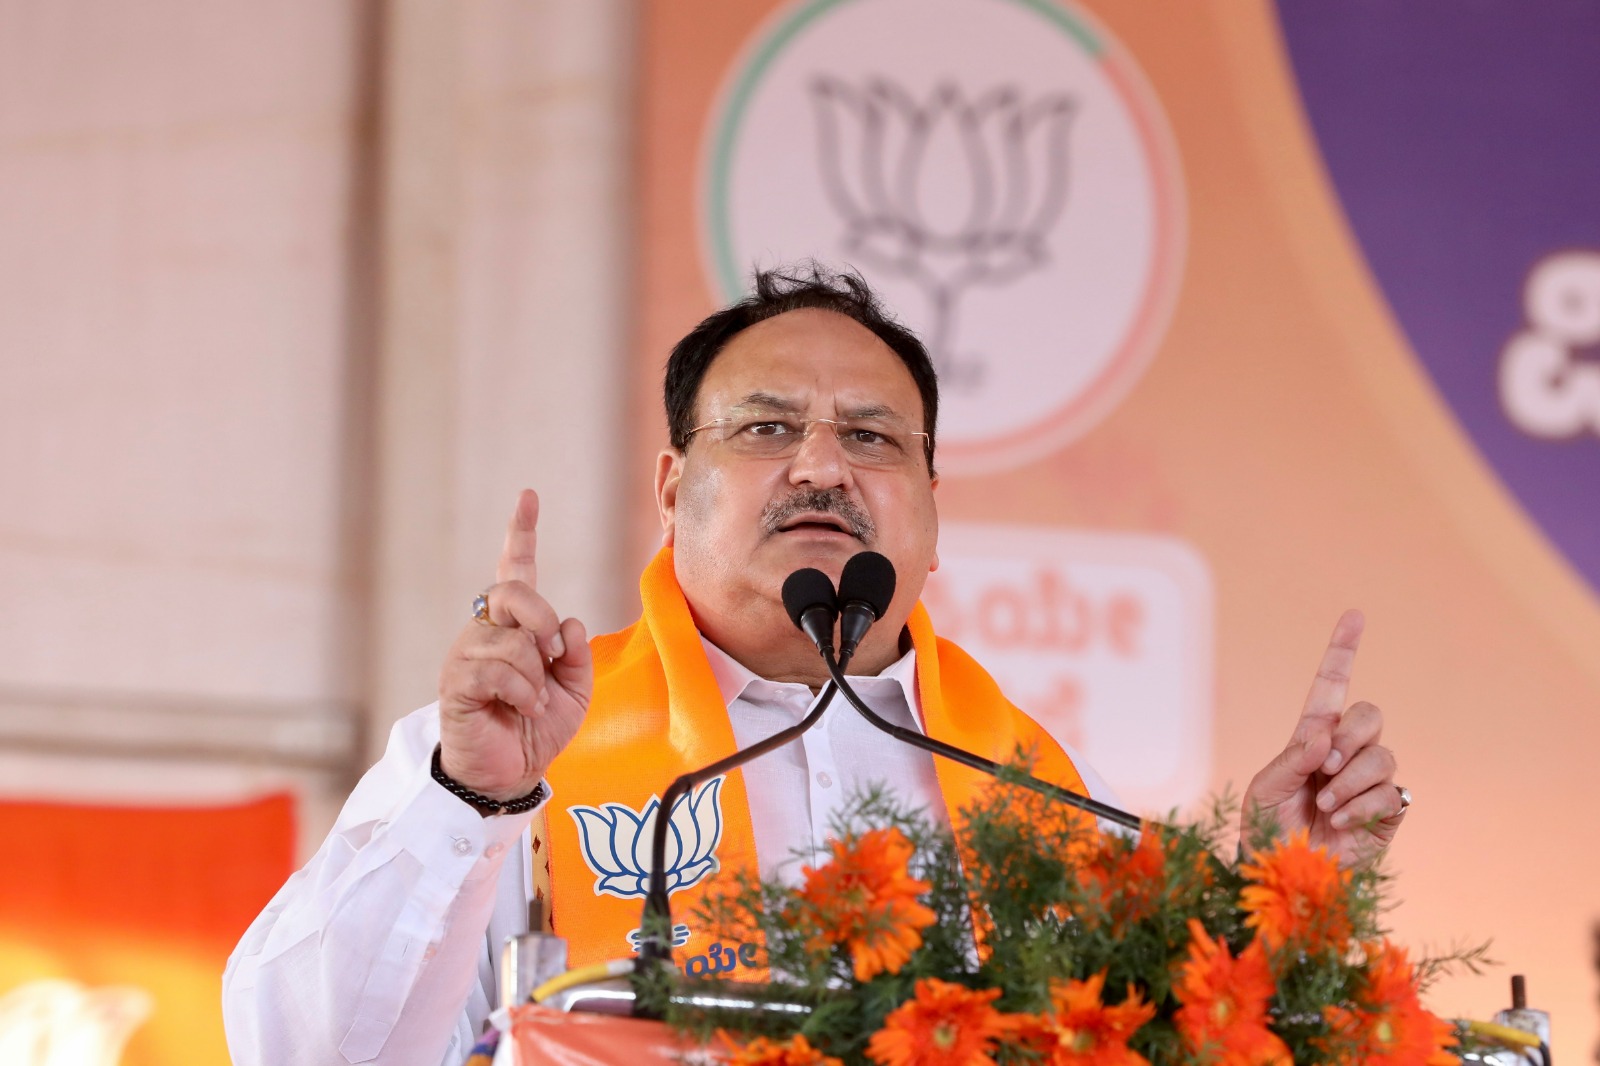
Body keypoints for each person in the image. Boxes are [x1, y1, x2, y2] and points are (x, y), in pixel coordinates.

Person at [222, 267, 1406, 1065]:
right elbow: (302, 1047)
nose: (821, 467)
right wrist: (470, 798)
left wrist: (1272, 904)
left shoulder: (1042, 794)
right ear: (674, 489)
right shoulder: (513, 749)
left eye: (873, 437)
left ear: (933, 514)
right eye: (766, 427)